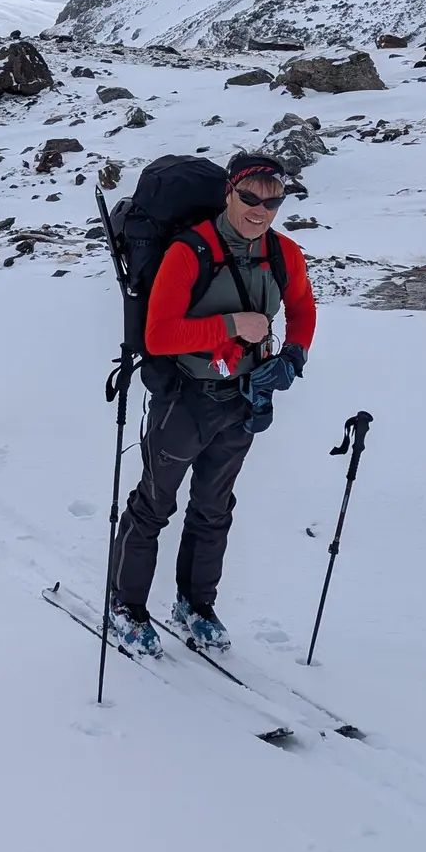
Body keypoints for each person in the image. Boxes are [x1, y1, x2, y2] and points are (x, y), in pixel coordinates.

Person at [108, 151, 317, 655]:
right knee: (154, 504)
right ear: (230, 193)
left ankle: (195, 605)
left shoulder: (284, 253)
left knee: (214, 508)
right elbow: (158, 336)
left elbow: (303, 307)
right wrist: (231, 326)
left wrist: (292, 355)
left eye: (272, 201)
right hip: (186, 400)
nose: (260, 210)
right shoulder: (190, 252)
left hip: (243, 401)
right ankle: (125, 606)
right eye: (250, 197)